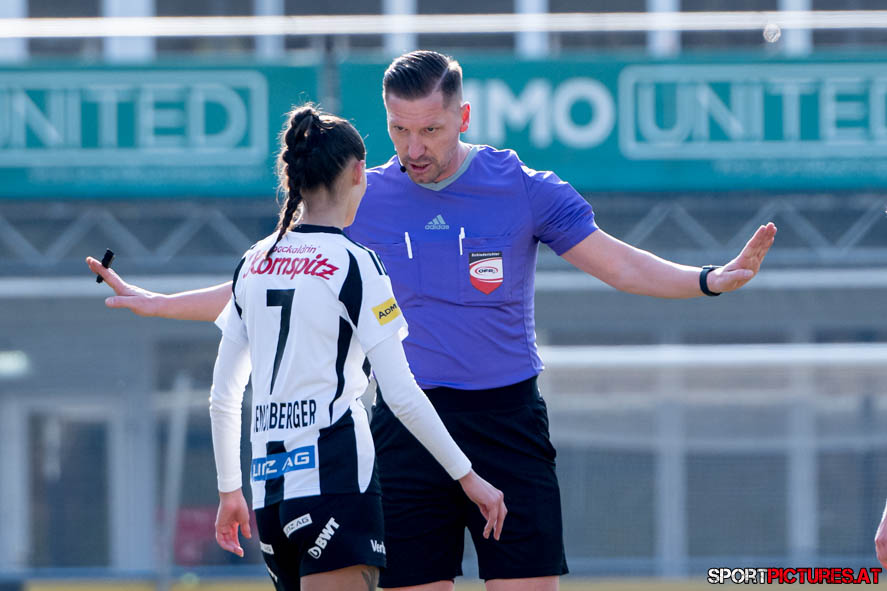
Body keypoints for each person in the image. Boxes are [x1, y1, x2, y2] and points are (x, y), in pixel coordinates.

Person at [88, 50, 777, 591]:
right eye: (398, 129)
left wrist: (709, 281)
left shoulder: (524, 188)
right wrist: (157, 300)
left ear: (463, 116)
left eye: (430, 129)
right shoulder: (363, 195)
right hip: (403, 431)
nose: (413, 147)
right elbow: (273, 282)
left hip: (507, 419)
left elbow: (620, 266)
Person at [206, 103, 505, 591]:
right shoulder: (355, 263)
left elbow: (223, 396)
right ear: (358, 171)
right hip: (337, 487)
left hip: (269, 496)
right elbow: (402, 395)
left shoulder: (252, 262)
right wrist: (468, 477)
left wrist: (228, 490)